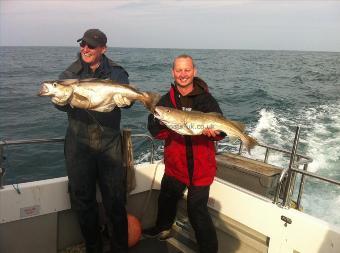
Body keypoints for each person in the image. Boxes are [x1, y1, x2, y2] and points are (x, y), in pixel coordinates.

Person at [55, 29, 131, 253]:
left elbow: (127, 103)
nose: (85, 49)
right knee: (82, 201)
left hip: (109, 144)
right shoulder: (70, 73)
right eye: (83, 45)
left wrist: (126, 101)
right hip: (78, 145)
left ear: (103, 49)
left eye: (91, 46)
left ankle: (119, 248)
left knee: (115, 200)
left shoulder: (117, 73)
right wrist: (59, 99)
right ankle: (93, 247)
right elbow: (59, 104)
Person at [144, 54, 224, 253]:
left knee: (197, 211)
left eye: (187, 70)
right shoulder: (166, 101)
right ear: (173, 72)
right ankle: (162, 228)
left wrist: (215, 133)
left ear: (194, 71)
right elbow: (156, 131)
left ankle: (209, 250)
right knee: (166, 198)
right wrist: (159, 121)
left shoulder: (207, 100)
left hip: (201, 167)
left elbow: (221, 130)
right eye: (179, 70)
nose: (183, 74)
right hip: (176, 164)